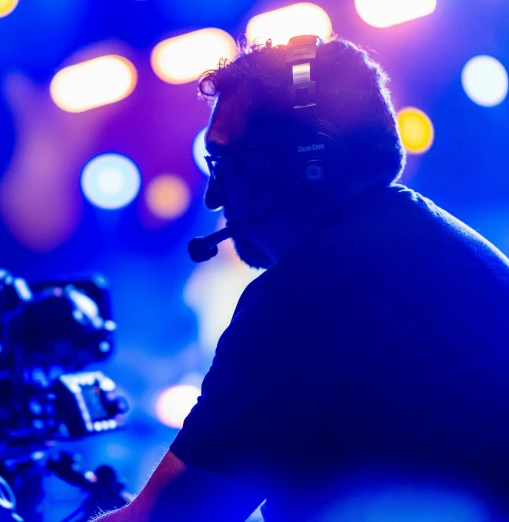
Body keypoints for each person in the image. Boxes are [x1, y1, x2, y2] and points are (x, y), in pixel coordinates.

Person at [93, 35, 509, 521]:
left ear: (313, 164)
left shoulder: (305, 296)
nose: (212, 197)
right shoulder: (437, 245)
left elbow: (169, 519)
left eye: (224, 165)